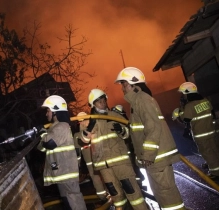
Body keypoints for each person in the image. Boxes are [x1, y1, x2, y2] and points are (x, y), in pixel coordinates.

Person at [115, 66, 185, 210]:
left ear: (133, 83)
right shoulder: (137, 102)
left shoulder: (142, 100)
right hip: (154, 160)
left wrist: (148, 154)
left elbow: (153, 127)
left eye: (124, 84)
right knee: (162, 195)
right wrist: (124, 132)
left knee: (168, 196)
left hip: (156, 158)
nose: (122, 88)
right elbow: (139, 131)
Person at [79, 89, 148, 210]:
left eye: (103, 100)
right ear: (92, 105)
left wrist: (121, 130)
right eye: (98, 102)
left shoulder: (115, 116)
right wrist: (89, 128)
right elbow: (83, 141)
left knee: (132, 192)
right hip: (103, 166)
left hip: (120, 162)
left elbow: (127, 134)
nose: (102, 103)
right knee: (116, 195)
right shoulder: (88, 123)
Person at [36, 95, 87, 210]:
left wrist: (42, 133)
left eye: (48, 111)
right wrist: (41, 135)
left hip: (66, 173)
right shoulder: (54, 128)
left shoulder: (62, 126)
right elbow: (43, 148)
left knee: (74, 203)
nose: (46, 114)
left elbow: (50, 143)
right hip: (61, 173)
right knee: (69, 203)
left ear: (55, 111)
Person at [176, 82, 219, 180]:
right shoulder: (205, 101)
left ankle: (215, 172)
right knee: (215, 150)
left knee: (207, 153)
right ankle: (214, 166)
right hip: (212, 131)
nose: (183, 96)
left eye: (183, 93)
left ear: (188, 93)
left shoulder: (189, 106)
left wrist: (180, 111)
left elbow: (185, 120)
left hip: (201, 135)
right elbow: (212, 114)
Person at [73, 112, 108, 201]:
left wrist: (78, 164)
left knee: (96, 176)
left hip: (93, 160)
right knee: (104, 174)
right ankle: (108, 194)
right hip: (100, 158)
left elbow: (77, 153)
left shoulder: (78, 135)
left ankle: (103, 196)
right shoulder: (95, 128)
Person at [111, 105, 145, 185]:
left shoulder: (124, 121)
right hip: (125, 150)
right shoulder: (119, 120)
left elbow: (128, 134)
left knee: (133, 167)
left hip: (128, 149)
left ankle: (138, 183)